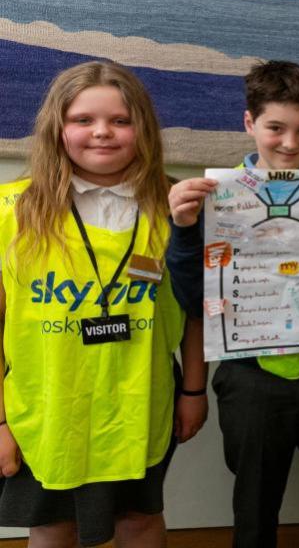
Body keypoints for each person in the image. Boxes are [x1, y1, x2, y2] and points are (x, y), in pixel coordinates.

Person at [165, 60, 299, 548]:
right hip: (251, 371)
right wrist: (182, 230)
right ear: (249, 123)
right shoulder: (218, 196)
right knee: (254, 502)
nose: (290, 143)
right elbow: (189, 292)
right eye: (275, 128)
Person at [0, 61, 206, 547]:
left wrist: (194, 390)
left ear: (144, 128)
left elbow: (199, 309)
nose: (102, 133)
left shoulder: (178, 207)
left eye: (120, 120)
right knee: (52, 526)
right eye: (83, 120)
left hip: (140, 404)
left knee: (138, 519)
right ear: (58, 127)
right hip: (46, 408)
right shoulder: (14, 209)